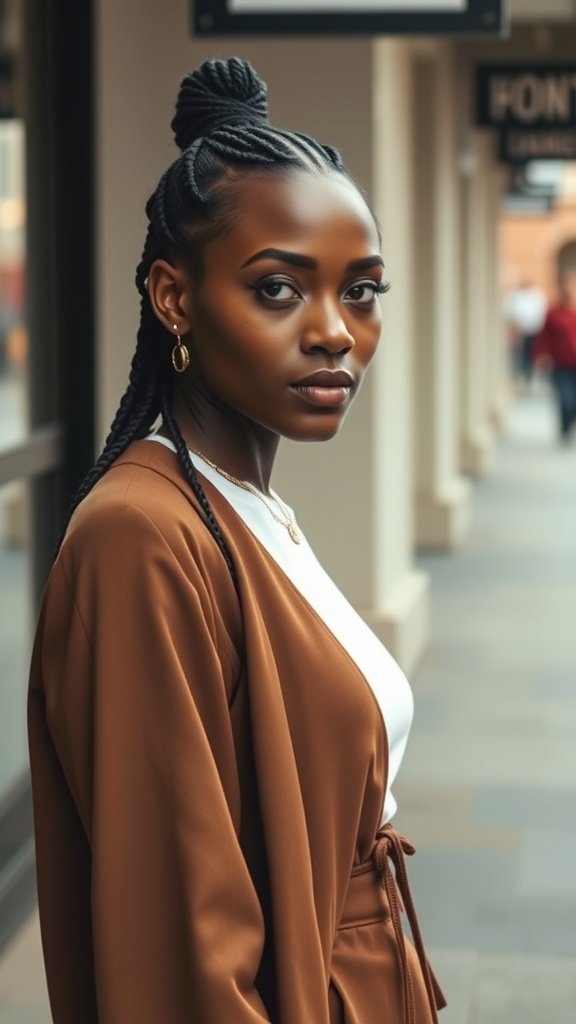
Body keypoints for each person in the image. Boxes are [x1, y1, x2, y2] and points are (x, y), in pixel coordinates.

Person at [27, 58, 446, 1023]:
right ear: (174, 299)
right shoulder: (142, 537)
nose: (336, 332)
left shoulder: (242, 503)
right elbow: (178, 951)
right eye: (278, 289)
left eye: (363, 291)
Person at [534, 272, 576, 442]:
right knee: (566, 399)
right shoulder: (553, 312)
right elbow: (543, 336)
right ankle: (564, 429)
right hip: (560, 363)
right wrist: (541, 355)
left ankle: (569, 425)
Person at [503, 279, 547, 385]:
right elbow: (509, 312)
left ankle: (528, 375)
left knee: (530, 353)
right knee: (518, 353)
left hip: (533, 330)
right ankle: (519, 374)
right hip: (519, 330)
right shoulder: (515, 296)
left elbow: (541, 312)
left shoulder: (536, 295)